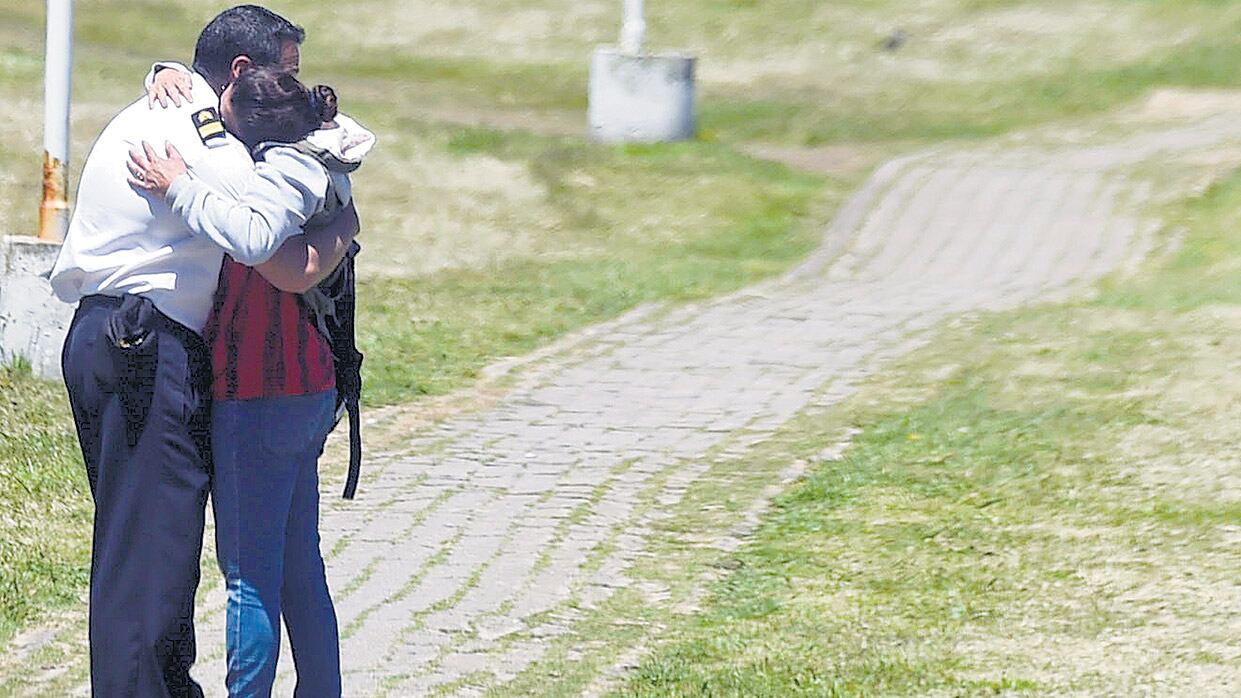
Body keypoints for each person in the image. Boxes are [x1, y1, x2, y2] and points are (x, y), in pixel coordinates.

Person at [49, 6, 358, 697]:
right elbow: (264, 240)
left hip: (108, 337)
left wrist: (165, 71)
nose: (295, 94)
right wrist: (341, 215)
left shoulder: (175, 104)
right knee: (151, 554)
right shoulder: (208, 142)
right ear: (243, 74)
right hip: (144, 345)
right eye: (287, 75)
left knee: (147, 544)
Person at [129, 66, 375, 697]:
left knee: (249, 578)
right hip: (310, 388)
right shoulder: (317, 159)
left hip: (261, 389)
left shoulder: (279, 178)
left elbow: (251, 238)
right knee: (298, 567)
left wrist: (180, 186)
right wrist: (167, 72)